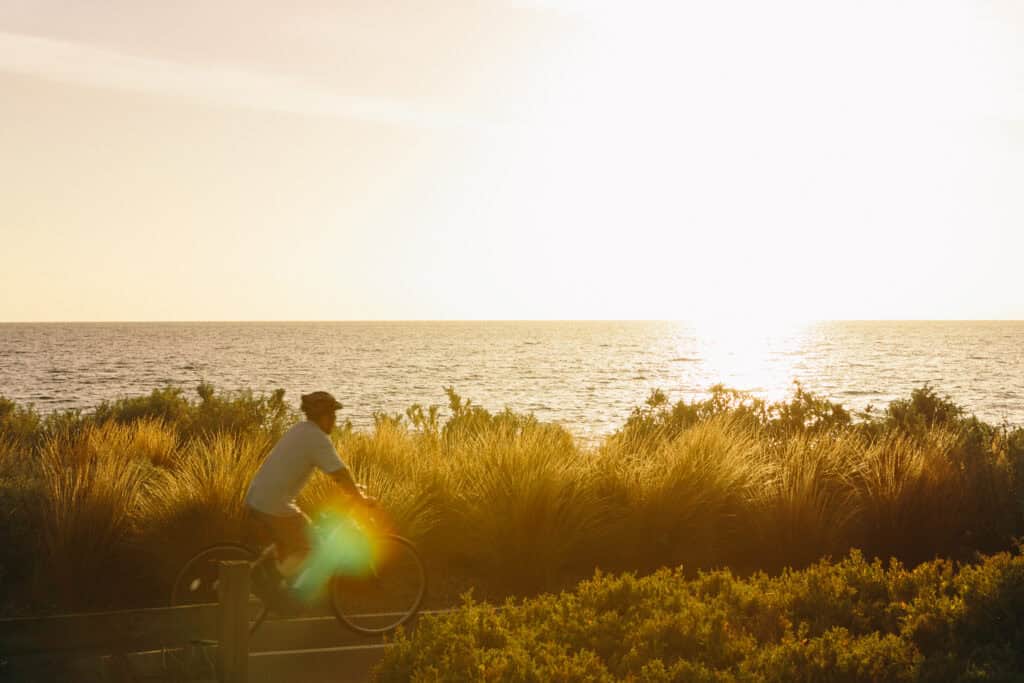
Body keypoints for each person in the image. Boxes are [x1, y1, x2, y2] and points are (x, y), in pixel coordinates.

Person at [245, 390, 372, 586]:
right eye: (333, 416)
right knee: (311, 548)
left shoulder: (300, 429)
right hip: (274, 504)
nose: (335, 421)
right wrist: (359, 497)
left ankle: (243, 580)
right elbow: (340, 473)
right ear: (324, 416)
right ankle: (270, 585)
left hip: (258, 497)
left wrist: (351, 489)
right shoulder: (317, 439)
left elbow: (335, 474)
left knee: (287, 543)